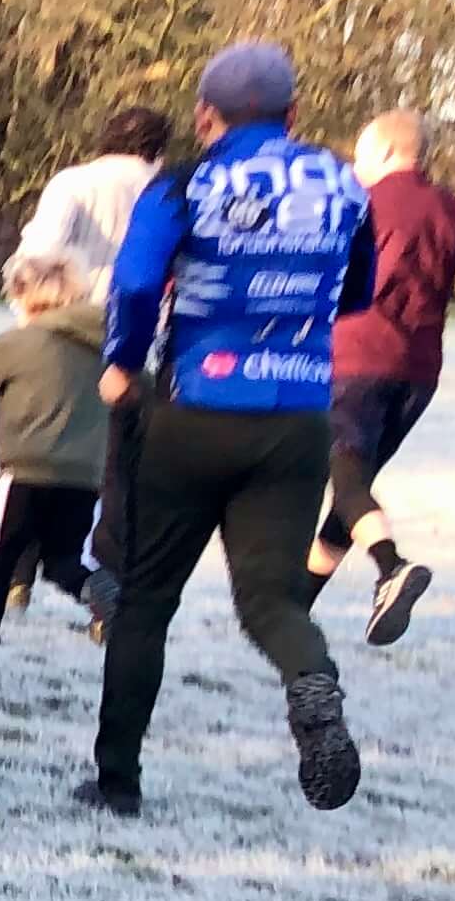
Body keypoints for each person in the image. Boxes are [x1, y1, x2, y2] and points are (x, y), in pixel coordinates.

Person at [83, 40, 374, 817]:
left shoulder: (187, 183)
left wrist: (122, 360)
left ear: (205, 115)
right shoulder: (344, 184)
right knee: (272, 599)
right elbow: (358, 291)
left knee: (145, 600)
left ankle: (118, 781)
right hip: (297, 416)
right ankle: (312, 683)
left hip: (193, 409)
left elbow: (138, 281)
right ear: (294, 113)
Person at [317, 108, 455, 644]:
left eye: (363, 154)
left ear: (389, 152)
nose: (355, 164)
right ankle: (296, 606)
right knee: (354, 489)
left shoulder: (356, 202)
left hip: (354, 354)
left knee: (346, 480)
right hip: (419, 371)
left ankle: (391, 567)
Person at [0, 251, 108, 692]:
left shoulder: (22, 342)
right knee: (64, 561)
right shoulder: (104, 345)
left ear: (22, 295)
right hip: (84, 480)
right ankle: (105, 594)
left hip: (25, 474)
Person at [16, 105, 171, 302]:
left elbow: (38, 253)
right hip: (142, 324)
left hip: (74, 318)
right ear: (159, 151)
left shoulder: (70, 182)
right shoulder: (172, 193)